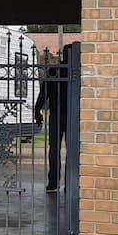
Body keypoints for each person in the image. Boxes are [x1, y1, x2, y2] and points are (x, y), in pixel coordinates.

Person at [33, 42, 76, 191]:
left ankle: (54, 183)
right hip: (68, 116)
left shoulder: (54, 70)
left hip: (60, 115)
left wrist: (37, 110)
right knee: (68, 150)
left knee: (56, 149)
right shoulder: (74, 71)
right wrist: (37, 110)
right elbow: (44, 93)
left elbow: (43, 93)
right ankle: (68, 183)